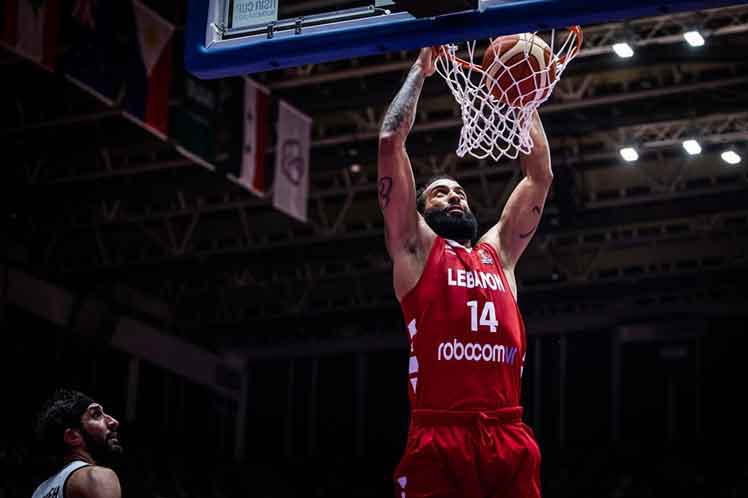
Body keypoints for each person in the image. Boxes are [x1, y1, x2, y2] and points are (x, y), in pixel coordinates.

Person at [378, 47, 553, 498]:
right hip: (441, 434)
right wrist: (420, 70)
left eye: (459, 192)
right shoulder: (415, 249)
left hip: (507, 432)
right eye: (440, 193)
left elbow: (539, 176)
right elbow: (389, 143)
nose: (455, 197)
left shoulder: (499, 255)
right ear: (419, 210)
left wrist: (523, 98)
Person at [32, 389, 123, 498]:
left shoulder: (39, 492)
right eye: (96, 415)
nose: (113, 421)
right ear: (73, 436)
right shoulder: (96, 476)